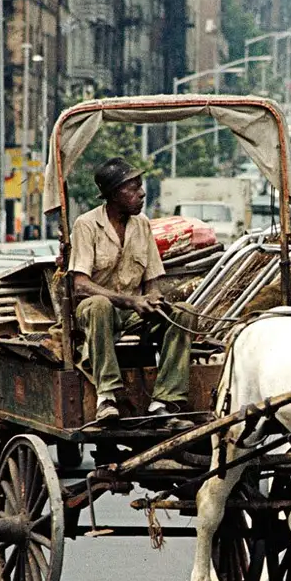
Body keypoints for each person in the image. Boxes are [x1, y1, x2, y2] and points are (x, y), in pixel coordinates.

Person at [69, 157, 191, 424]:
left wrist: (153, 299)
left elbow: (152, 280)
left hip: (133, 316)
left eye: (140, 186)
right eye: (133, 188)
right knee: (99, 304)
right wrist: (129, 301)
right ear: (113, 195)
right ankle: (108, 396)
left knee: (183, 312)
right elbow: (80, 284)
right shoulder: (86, 224)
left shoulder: (143, 225)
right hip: (98, 315)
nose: (142, 193)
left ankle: (164, 399)